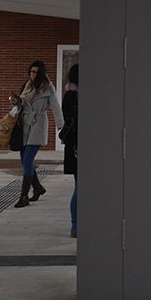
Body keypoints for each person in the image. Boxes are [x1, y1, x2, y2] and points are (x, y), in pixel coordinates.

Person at [9, 60, 64, 209]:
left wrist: (60, 124)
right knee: (24, 161)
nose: (33, 74)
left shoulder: (48, 88)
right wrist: (16, 101)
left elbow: (55, 106)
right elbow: (22, 105)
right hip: (24, 125)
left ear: (41, 74)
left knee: (27, 160)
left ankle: (24, 196)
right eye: (32, 71)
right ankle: (38, 188)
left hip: (38, 124)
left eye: (36, 72)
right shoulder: (27, 86)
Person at [60, 64, 79, 238]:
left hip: (72, 146)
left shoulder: (68, 95)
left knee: (78, 186)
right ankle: (76, 225)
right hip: (78, 146)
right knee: (81, 187)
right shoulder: (78, 96)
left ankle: (75, 226)